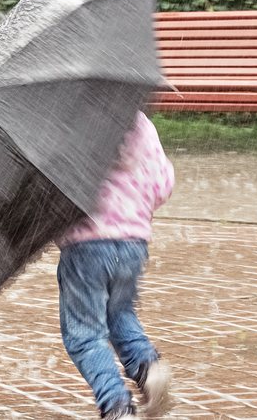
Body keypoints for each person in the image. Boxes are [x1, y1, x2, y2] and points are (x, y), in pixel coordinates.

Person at [56, 111, 175, 419]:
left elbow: (53, 189)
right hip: (134, 242)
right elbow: (163, 185)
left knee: (84, 335)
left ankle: (116, 405)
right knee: (119, 313)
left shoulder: (67, 124)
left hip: (85, 244)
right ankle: (148, 369)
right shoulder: (140, 122)